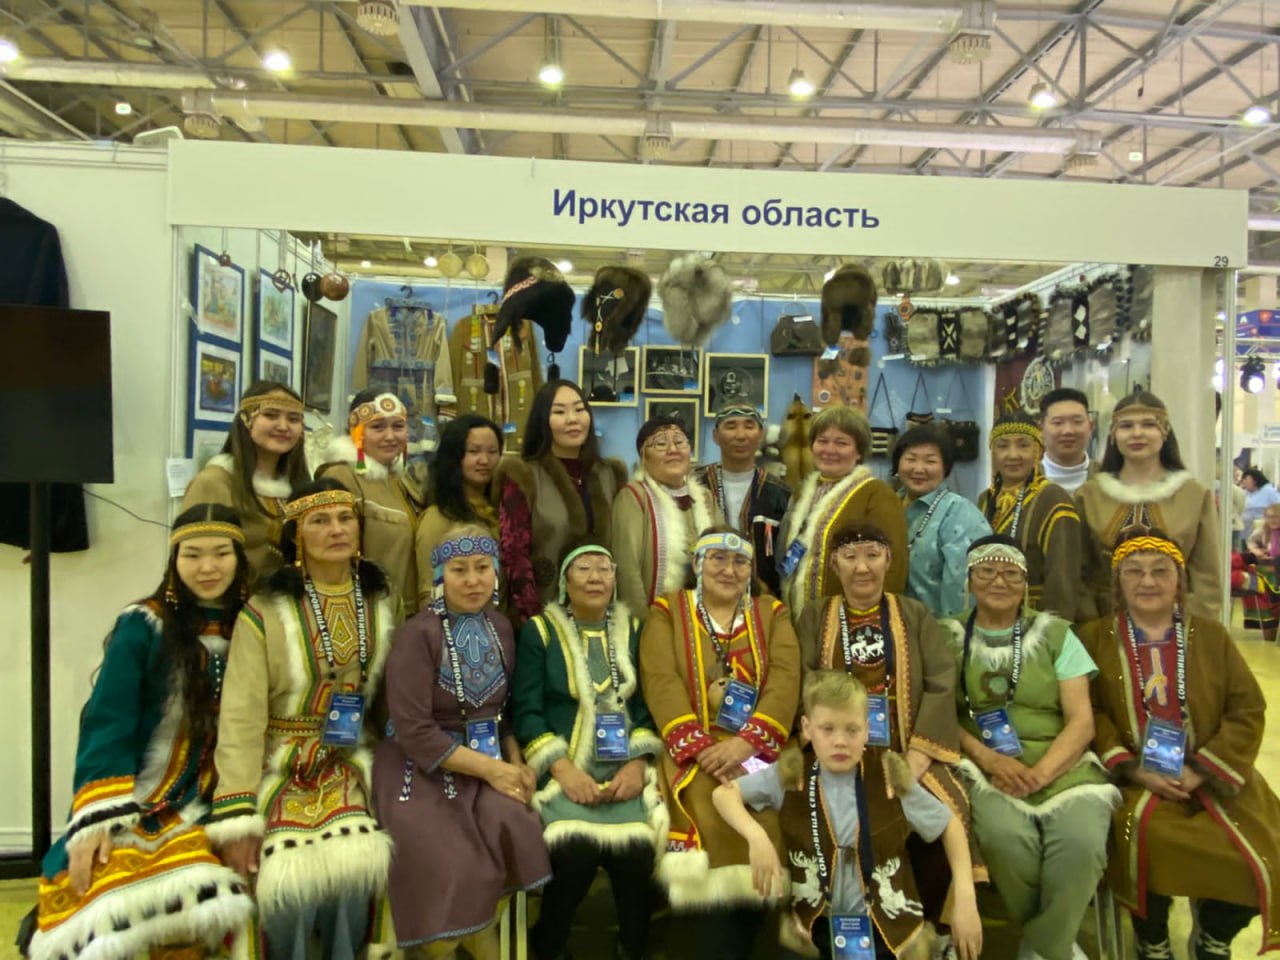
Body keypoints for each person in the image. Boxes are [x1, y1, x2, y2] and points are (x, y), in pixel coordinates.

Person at [31, 505, 255, 960]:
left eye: (221, 553)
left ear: (239, 558)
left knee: (199, 886)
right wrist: (96, 817)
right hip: (148, 790)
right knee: (112, 875)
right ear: (174, 560)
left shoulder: (255, 623)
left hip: (230, 787)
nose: (207, 567)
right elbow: (107, 722)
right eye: (192, 555)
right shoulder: (143, 624)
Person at [209, 478, 396, 960]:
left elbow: (391, 699)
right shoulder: (263, 611)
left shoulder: (378, 600)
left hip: (349, 758)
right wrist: (236, 813)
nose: (337, 529)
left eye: (346, 518)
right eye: (320, 521)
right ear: (296, 535)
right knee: (286, 886)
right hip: (279, 762)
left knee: (355, 872)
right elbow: (240, 717)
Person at [1079, 527, 1280, 959]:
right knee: (1145, 841)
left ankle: (1215, 934)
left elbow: (1247, 709)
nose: (1147, 581)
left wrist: (1202, 769)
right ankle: (1151, 939)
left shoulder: (1210, 636)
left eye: (1160, 571)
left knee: (1264, 851)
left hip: (1216, 776)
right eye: (1134, 571)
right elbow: (1089, 712)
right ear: (1118, 581)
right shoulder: (1093, 638)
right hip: (1136, 779)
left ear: (1179, 580)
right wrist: (1134, 769)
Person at [712, 671, 983, 960]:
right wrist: (756, 837)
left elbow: (949, 825)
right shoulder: (792, 775)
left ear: (867, 729)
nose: (840, 741)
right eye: (827, 729)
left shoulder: (890, 776)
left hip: (889, 928)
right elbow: (723, 795)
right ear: (807, 728)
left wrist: (965, 897)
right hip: (813, 926)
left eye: (852, 730)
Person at [373, 523, 551, 958]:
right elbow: (413, 730)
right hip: (419, 766)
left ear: (496, 573)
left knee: (518, 825)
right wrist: (494, 770)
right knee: (451, 855)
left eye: (482, 568)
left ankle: (479, 930)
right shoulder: (417, 635)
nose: (473, 580)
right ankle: (444, 944)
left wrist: (517, 763)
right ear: (440, 575)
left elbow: (503, 714)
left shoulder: (502, 628)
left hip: (488, 759)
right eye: (459, 570)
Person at [793, 520, 980, 935]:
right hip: (836, 748)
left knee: (944, 816)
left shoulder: (915, 614)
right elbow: (802, 680)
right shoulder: (816, 615)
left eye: (872, 556)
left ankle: (932, 931)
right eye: (850, 557)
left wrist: (918, 755)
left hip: (906, 748)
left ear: (889, 561)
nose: (862, 567)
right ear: (835, 565)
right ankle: (837, 930)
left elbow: (941, 682)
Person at [941, 535, 1117, 960]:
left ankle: (1042, 947)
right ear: (969, 579)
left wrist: (1042, 774)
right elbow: (940, 716)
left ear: (1025, 583)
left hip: (1062, 763)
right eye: (987, 571)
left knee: (1081, 843)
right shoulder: (945, 635)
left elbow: (1081, 721)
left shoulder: (1056, 634)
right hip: (982, 765)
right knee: (1006, 840)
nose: (998, 581)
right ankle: (1057, 946)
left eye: (1010, 573)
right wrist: (987, 758)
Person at [639, 529, 801, 959]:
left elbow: (786, 678)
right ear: (697, 564)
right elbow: (660, 680)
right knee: (707, 813)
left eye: (740, 562)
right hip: (695, 750)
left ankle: (760, 936)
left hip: (762, 748)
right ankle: (717, 939)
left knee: (777, 815)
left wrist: (747, 743)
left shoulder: (772, 613)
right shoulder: (667, 612)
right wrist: (699, 747)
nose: (729, 570)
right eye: (717, 559)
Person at [513, 538, 665, 960]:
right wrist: (562, 769)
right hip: (563, 776)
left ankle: (632, 948)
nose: (596, 577)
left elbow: (645, 707)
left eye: (604, 568)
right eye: (584, 568)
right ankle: (548, 946)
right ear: (565, 580)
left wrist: (637, 765)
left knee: (637, 858)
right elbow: (527, 711)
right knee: (575, 855)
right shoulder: (540, 632)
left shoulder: (634, 631)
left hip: (623, 776)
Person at [1075, 391, 1221, 621]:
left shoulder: (1193, 495)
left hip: (1176, 625)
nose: (1137, 433)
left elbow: (1206, 577)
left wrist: (1196, 631)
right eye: (1126, 426)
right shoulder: (1090, 495)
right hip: (1104, 624)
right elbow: (1079, 572)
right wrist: (1090, 627)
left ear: (1165, 432)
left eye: (1149, 424)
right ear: (1113, 434)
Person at [497, 380, 627, 622]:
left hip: (600, 616)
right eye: (559, 412)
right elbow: (514, 555)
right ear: (543, 421)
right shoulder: (523, 476)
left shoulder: (608, 474)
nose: (572, 419)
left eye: (579, 409)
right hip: (543, 613)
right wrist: (535, 621)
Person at [778, 404, 907, 622]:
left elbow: (893, 566)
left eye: (841, 443)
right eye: (822, 441)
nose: (829, 450)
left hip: (851, 622)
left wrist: (871, 622)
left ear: (859, 451)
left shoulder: (877, 494)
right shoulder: (802, 492)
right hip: (797, 622)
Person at [183, 380, 309, 589]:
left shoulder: (299, 485)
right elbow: (197, 564)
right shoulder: (214, 483)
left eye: (294, 419)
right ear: (245, 419)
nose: (283, 426)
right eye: (271, 415)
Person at [318, 390, 423, 617]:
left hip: (402, 612)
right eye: (377, 427)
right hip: (363, 613)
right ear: (357, 431)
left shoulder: (400, 480)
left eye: (398, 426)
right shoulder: (341, 476)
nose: (390, 436)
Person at [978, 413, 1091, 622]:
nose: (1013, 455)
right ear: (992, 452)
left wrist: (1051, 630)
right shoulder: (985, 500)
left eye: (1023, 445)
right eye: (1002, 446)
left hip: (1034, 618)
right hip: (990, 615)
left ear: (1038, 451)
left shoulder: (1052, 498)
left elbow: (1063, 576)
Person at [613, 415, 721, 619]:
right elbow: (628, 570)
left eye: (679, 442)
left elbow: (724, 553)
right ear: (644, 457)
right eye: (661, 444)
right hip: (656, 616)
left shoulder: (704, 497)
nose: (673, 449)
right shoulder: (634, 497)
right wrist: (646, 624)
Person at [893, 424, 990, 618]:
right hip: (890, 627)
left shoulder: (959, 512)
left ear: (946, 467)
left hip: (937, 630)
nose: (918, 469)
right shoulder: (888, 505)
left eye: (930, 461)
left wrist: (951, 631)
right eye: (911, 459)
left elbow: (962, 588)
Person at [696, 402, 791, 597]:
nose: (740, 435)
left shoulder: (781, 493)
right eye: (731, 426)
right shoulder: (695, 486)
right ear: (715, 436)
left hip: (763, 599)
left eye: (749, 426)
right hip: (702, 597)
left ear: (761, 434)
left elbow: (790, 555)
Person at [416, 414, 503, 607]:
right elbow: (429, 592)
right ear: (454, 456)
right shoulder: (438, 518)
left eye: (492, 451)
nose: (484, 460)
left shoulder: (500, 510)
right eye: (473, 451)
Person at [1038, 388, 1095, 495]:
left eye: (1077, 422)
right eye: (1058, 423)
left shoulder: (1109, 480)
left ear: (1090, 427)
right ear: (1041, 429)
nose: (1068, 431)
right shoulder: (1024, 479)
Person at [1240, 467, 1280, 535]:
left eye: (1246, 479)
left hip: (1261, 528)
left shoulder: (1269, 491)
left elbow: (1277, 508)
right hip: (1245, 527)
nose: (1243, 482)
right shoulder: (1246, 492)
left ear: (1255, 481)